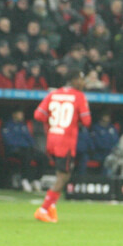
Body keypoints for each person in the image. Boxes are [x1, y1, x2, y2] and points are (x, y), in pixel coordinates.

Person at [32, 69, 91, 223]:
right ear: (75, 80)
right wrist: (75, 119)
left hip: (52, 138)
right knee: (63, 176)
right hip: (66, 141)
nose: (83, 83)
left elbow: (38, 115)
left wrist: (53, 121)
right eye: (82, 79)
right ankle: (44, 209)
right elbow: (87, 121)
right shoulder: (79, 96)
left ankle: (52, 207)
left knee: (62, 174)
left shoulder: (53, 94)